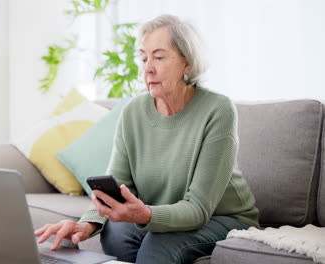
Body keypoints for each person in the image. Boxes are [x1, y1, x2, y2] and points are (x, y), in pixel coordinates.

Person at [34, 14, 259, 264]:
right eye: (144, 58)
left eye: (159, 57)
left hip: (222, 217)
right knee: (115, 233)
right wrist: (86, 225)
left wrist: (146, 214)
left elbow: (198, 209)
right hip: (161, 210)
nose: (148, 67)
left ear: (188, 63)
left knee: (158, 245)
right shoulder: (133, 112)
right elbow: (118, 186)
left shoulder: (218, 110)